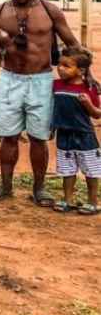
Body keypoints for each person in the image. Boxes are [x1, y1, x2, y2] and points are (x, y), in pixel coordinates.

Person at [0, 0, 78, 206]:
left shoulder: (50, 11)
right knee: (8, 136)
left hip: (41, 81)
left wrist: (84, 75)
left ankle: (39, 188)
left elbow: (72, 44)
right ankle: (5, 185)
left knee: (38, 137)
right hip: (9, 79)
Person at [50, 47, 101, 214]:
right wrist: (51, 127)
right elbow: (53, 109)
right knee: (67, 170)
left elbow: (97, 114)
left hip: (84, 135)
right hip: (63, 134)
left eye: (67, 66)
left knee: (91, 170)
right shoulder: (56, 85)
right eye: (59, 64)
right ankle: (67, 200)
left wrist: (88, 103)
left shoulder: (89, 88)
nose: (60, 68)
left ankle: (93, 202)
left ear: (81, 70)